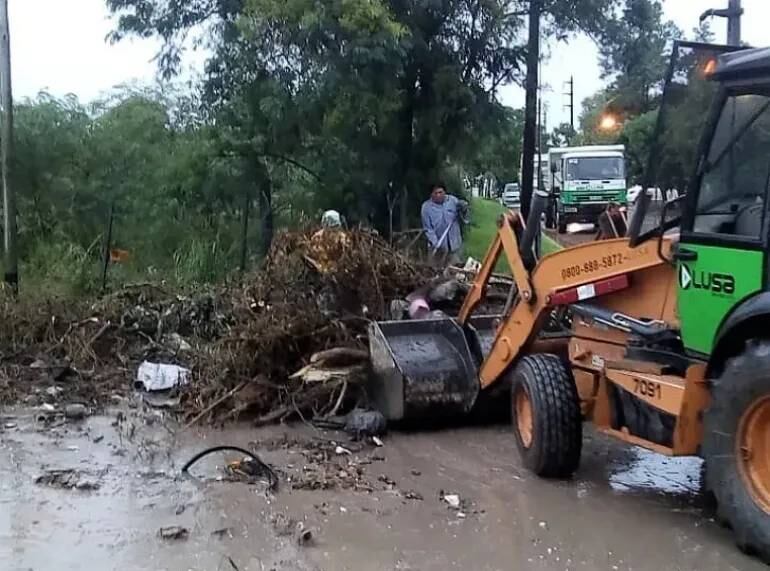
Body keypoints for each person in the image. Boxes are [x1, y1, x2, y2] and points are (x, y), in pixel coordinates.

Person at [421, 184, 468, 268]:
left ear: (445, 192)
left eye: (440, 192)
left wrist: (464, 209)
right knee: (435, 274)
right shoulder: (426, 208)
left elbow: (463, 219)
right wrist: (437, 245)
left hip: (454, 247)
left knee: (456, 272)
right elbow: (428, 229)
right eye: (435, 193)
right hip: (437, 250)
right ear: (431, 194)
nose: (438, 195)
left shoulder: (453, 201)